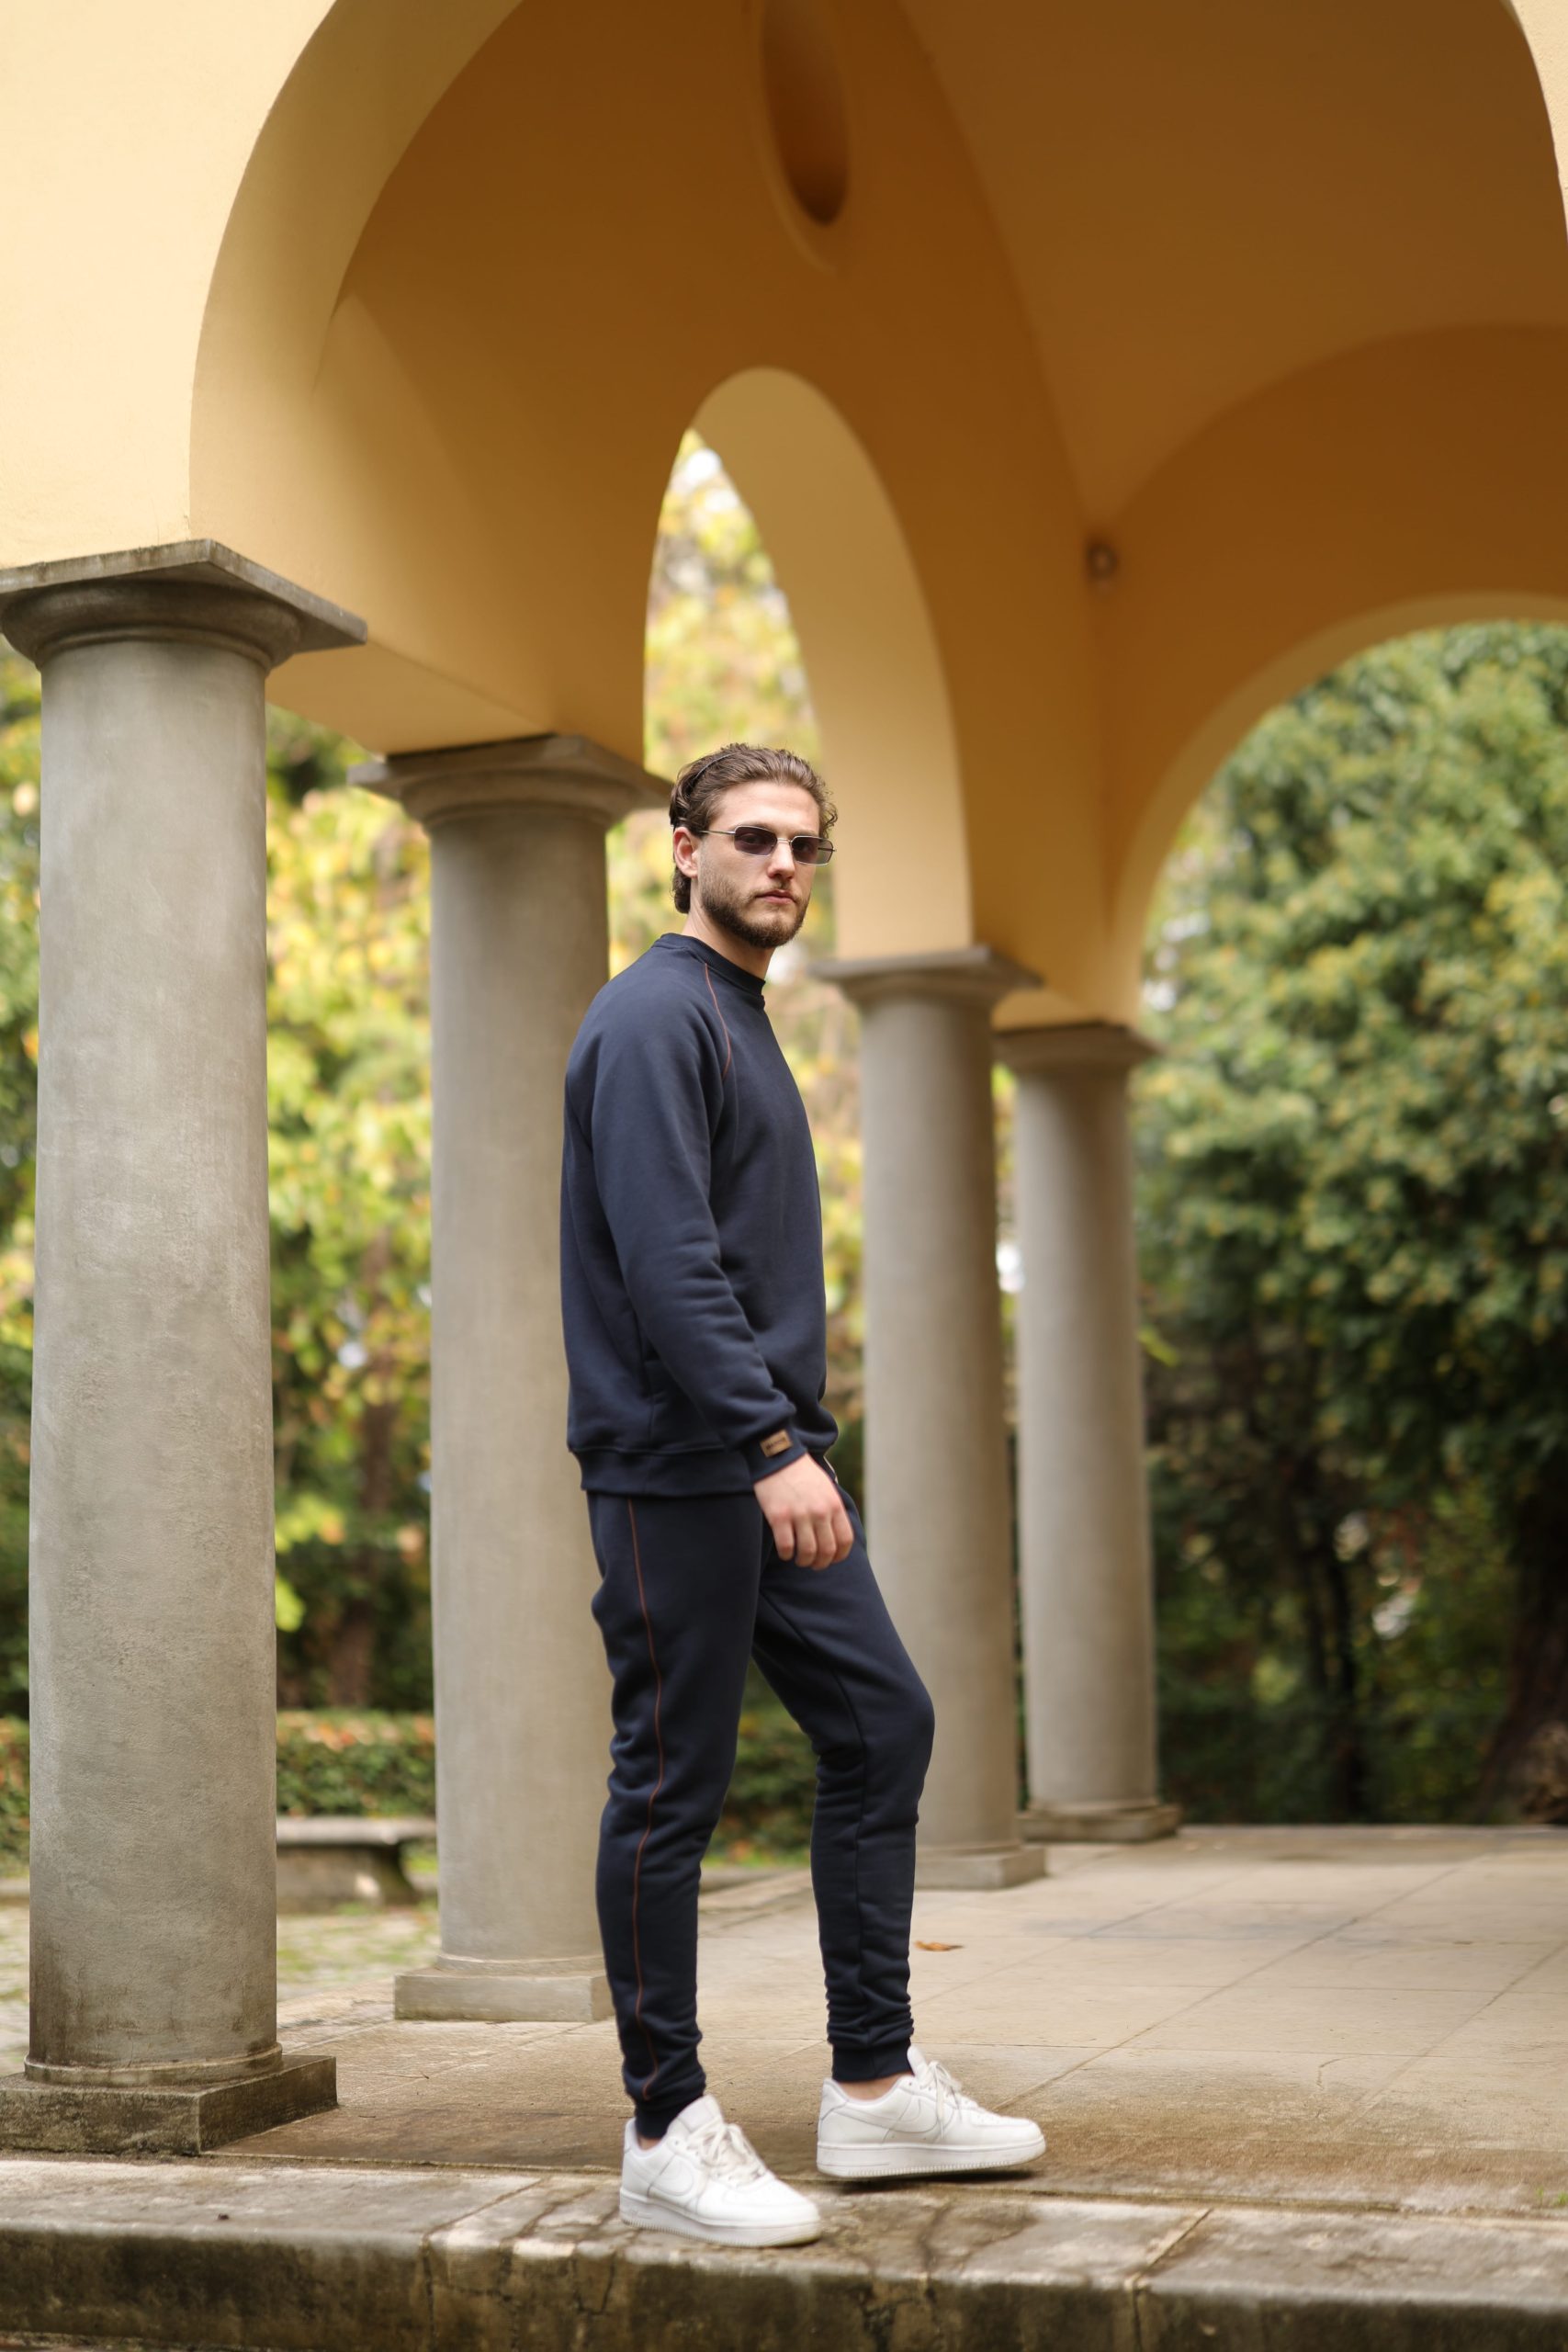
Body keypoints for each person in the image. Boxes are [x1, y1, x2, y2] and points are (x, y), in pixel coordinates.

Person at [559, 741, 1044, 2247]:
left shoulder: (739, 1016)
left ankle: (875, 2085)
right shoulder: (655, 1015)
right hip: (683, 1466)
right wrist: (772, 1449)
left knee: (882, 1722)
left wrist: (784, 1450)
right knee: (670, 1785)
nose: (782, 864)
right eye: (754, 838)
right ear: (684, 846)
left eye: (804, 846)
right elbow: (668, 1262)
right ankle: (664, 2125)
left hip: (763, 1461)